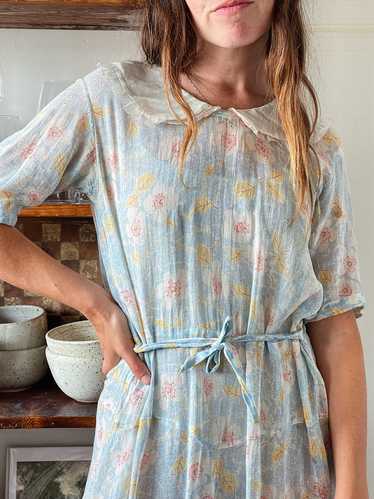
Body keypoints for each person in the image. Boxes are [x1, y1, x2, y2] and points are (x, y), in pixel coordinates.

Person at [0, 1, 369, 498]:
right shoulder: (113, 103)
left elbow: (336, 328)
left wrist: (353, 488)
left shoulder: (309, 138)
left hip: (285, 453)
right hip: (153, 444)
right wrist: (93, 301)